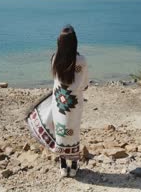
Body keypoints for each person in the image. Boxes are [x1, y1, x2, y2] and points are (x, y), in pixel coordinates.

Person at [26, 24, 88, 177]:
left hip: (59, 102)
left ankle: (62, 165)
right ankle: (73, 166)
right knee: (73, 132)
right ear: (75, 42)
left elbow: (56, 80)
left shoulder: (55, 58)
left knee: (60, 131)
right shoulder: (82, 61)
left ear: (59, 42)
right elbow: (85, 84)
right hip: (74, 104)